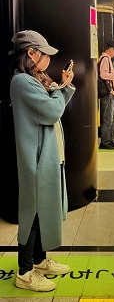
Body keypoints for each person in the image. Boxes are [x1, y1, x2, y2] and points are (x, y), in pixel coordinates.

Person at [9, 30, 76, 292]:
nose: (47, 59)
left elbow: (52, 107)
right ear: (31, 53)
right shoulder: (23, 82)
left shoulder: (33, 79)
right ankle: (25, 272)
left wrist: (63, 85)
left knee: (41, 209)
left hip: (45, 154)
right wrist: (63, 88)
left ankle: (38, 260)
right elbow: (51, 112)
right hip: (35, 158)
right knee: (32, 213)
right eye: (44, 54)